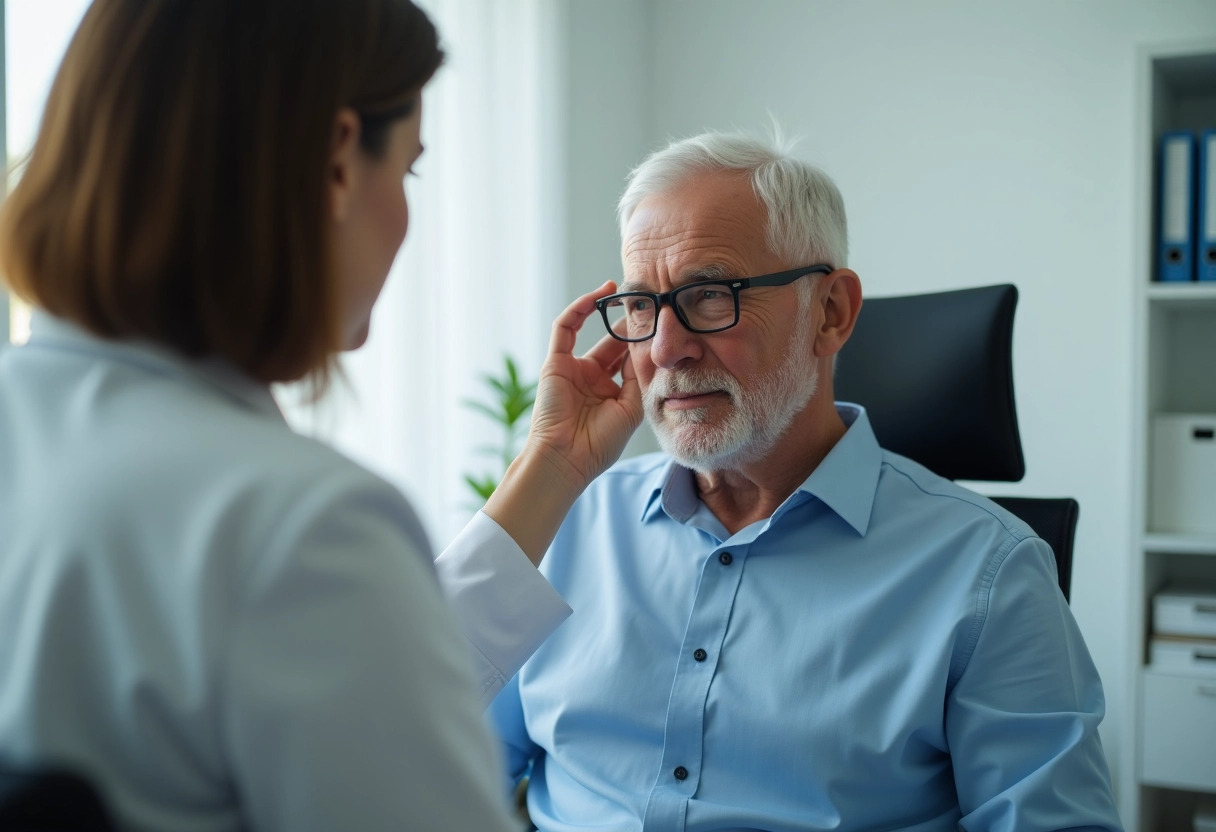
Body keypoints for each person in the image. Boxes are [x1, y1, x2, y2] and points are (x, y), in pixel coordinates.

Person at [0, 1, 640, 830]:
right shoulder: (301, 527)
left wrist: (552, 466)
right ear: (339, 162)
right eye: (408, 170)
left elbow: (342, 671)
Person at [487, 131, 1125, 831]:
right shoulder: (567, 521)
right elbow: (430, 758)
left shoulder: (988, 574)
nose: (665, 349)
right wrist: (548, 464)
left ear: (831, 313)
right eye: (642, 305)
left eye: (709, 295)